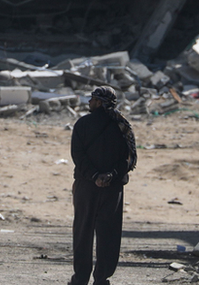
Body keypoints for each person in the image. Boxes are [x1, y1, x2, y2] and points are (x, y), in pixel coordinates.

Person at [69, 87, 137, 285]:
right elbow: (128, 158)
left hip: (86, 186)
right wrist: (110, 175)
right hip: (112, 188)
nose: (89, 102)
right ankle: (102, 277)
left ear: (98, 102)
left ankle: (80, 278)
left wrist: (94, 176)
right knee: (109, 233)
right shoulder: (122, 126)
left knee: (83, 232)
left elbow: (78, 156)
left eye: (92, 99)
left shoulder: (82, 124)